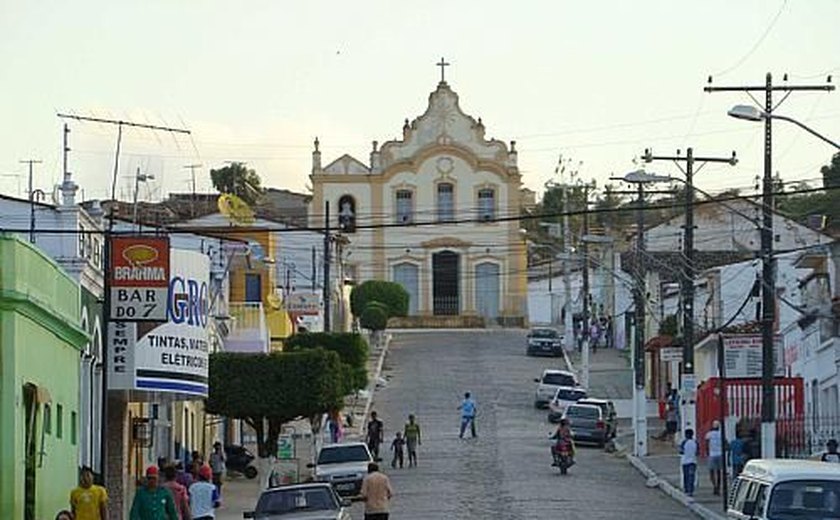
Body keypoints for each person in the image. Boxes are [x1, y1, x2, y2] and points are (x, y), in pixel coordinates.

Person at [705, 420, 724, 495]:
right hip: (720, 454)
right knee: (719, 472)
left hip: (712, 454)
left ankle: (714, 485)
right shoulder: (721, 434)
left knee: (711, 472)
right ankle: (718, 486)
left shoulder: (709, 434)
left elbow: (706, 444)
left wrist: (707, 453)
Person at [680, 429, 699, 498]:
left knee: (686, 476)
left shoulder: (684, 442)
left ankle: (687, 490)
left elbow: (681, 451)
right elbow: (698, 452)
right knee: (691, 476)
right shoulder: (695, 442)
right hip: (693, 461)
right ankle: (690, 490)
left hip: (685, 462)